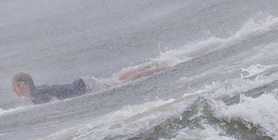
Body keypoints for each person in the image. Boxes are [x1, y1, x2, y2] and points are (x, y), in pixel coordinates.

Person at [11, 61, 170, 105]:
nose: (13, 89)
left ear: (23, 85)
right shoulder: (35, 94)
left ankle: (161, 68)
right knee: (118, 80)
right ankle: (152, 65)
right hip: (83, 83)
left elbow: (57, 104)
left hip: (86, 87)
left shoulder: (37, 95)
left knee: (124, 82)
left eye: (15, 85)